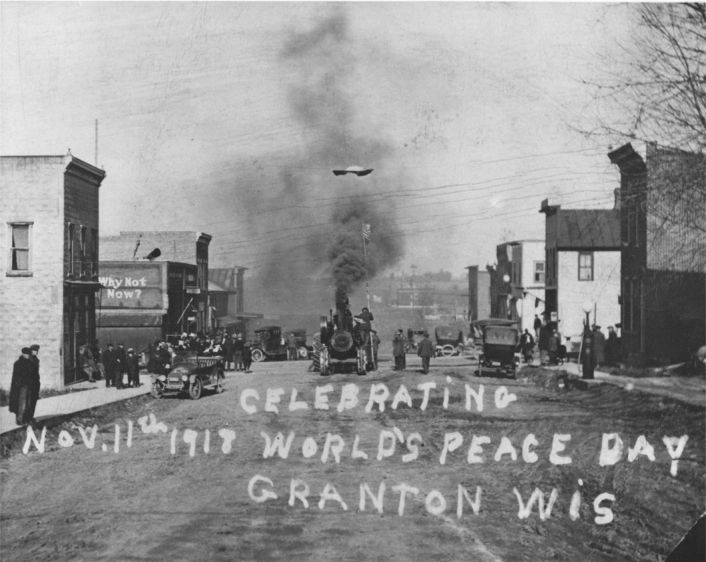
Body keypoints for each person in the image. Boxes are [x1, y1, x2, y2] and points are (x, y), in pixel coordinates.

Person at [9, 347, 40, 426]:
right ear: (23, 354)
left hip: (29, 386)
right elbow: (16, 376)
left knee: (28, 403)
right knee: (22, 404)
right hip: (22, 386)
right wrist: (20, 383)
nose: (27, 355)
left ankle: (26, 419)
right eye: (26, 354)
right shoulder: (18, 363)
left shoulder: (30, 363)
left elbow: (33, 374)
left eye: (28, 354)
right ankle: (19, 420)